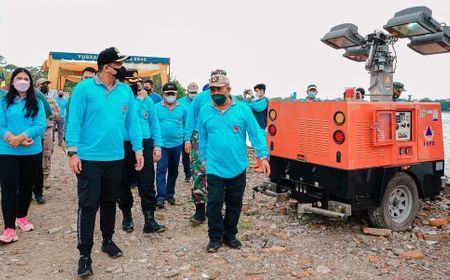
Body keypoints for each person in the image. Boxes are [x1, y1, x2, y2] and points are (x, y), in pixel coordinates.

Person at [66, 47, 143, 278]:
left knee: (110, 202)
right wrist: (72, 152)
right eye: (118, 65)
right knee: (89, 205)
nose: (122, 68)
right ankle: (84, 254)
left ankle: (108, 241)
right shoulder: (84, 89)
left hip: (116, 158)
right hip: (89, 159)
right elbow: (74, 122)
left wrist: (138, 149)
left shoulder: (125, 92)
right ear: (107, 67)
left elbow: (133, 123)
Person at [198, 72, 270, 252]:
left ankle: (230, 235)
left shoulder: (243, 109)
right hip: (214, 166)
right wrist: (204, 159)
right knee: (214, 203)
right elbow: (203, 138)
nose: (215, 93)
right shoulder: (205, 110)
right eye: (212, 89)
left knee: (234, 203)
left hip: (237, 166)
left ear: (228, 89)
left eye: (219, 89)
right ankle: (215, 237)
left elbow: (255, 133)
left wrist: (263, 156)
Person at [0, 68, 46, 244]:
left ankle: (22, 216)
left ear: (30, 82)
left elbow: (40, 125)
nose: (22, 81)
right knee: (9, 187)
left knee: (27, 186)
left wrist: (22, 137)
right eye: (18, 78)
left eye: (25, 78)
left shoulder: (37, 102)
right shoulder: (4, 101)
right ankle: (9, 228)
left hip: (31, 151)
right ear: (12, 81)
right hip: (7, 150)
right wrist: (12, 139)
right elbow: (1, 125)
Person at [118, 70, 165, 234]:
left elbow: (155, 124)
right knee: (123, 183)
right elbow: (128, 115)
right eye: (131, 82)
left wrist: (157, 145)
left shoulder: (148, 101)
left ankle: (149, 220)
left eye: (136, 82)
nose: (135, 85)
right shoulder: (121, 98)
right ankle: (127, 217)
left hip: (145, 144)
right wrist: (138, 98)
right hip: (124, 144)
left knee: (146, 182)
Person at [184, 70, 225, 225]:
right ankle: (199, 211)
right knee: (199, 173)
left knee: (218, 174)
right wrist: (187, 139)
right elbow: (190, 118)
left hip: (217, 140)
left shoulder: (229, 100)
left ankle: (214, 209)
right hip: (198, 139)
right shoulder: (200, 98)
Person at [155, 82, 187, 208]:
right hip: (161, 144)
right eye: (168, 93)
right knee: (161, 169)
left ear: (176, 94)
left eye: (172, 93)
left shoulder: (183, 109)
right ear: (163, 94)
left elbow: (186, 125)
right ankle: (161, 197)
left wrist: (185, 140)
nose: (170, 96)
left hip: (177, 144)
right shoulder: (156, 108)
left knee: (173, 171)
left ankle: (170, 194)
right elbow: (153, 125)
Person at [33, 78, 60, 204]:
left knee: (47, 153)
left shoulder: (51, 100)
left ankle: (45, 179)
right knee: (34, 158)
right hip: (35, 131)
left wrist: (51, 114)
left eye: (46, 84)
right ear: (37, 85)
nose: (45, 86)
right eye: (43, 84)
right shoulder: (31, 97)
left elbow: (57, 114)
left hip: (48, 129)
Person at [64, 67, 97, 136]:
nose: (88, 80)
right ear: (81, 79)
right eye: (86, 77)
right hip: (80, 134)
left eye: (91, 78)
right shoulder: (75, 95)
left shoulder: (101, 94)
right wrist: (67, 133)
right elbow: (69, 115)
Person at [243, 83, 268, 173]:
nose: (256, 93)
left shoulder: (264, 101)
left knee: (261, 144)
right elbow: (247, 107)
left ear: (262, 91)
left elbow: (257, 108)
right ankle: (258, 163)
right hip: (256, 125)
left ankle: (263, 166)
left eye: (257, 91)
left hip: (261, 126)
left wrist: (252, 97)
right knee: (257, 145)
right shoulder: (257, 101)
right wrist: (245, 97)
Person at [178, 82, 199, 182]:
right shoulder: (180, 102)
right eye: (192, 92)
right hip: (184, 131)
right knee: (186, 154)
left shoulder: (199, 101)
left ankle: (197, 173)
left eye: (195, 92)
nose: (193, 94)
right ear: (187, 91)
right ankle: (187, 174)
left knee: (197, 154)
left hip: (197, 132)